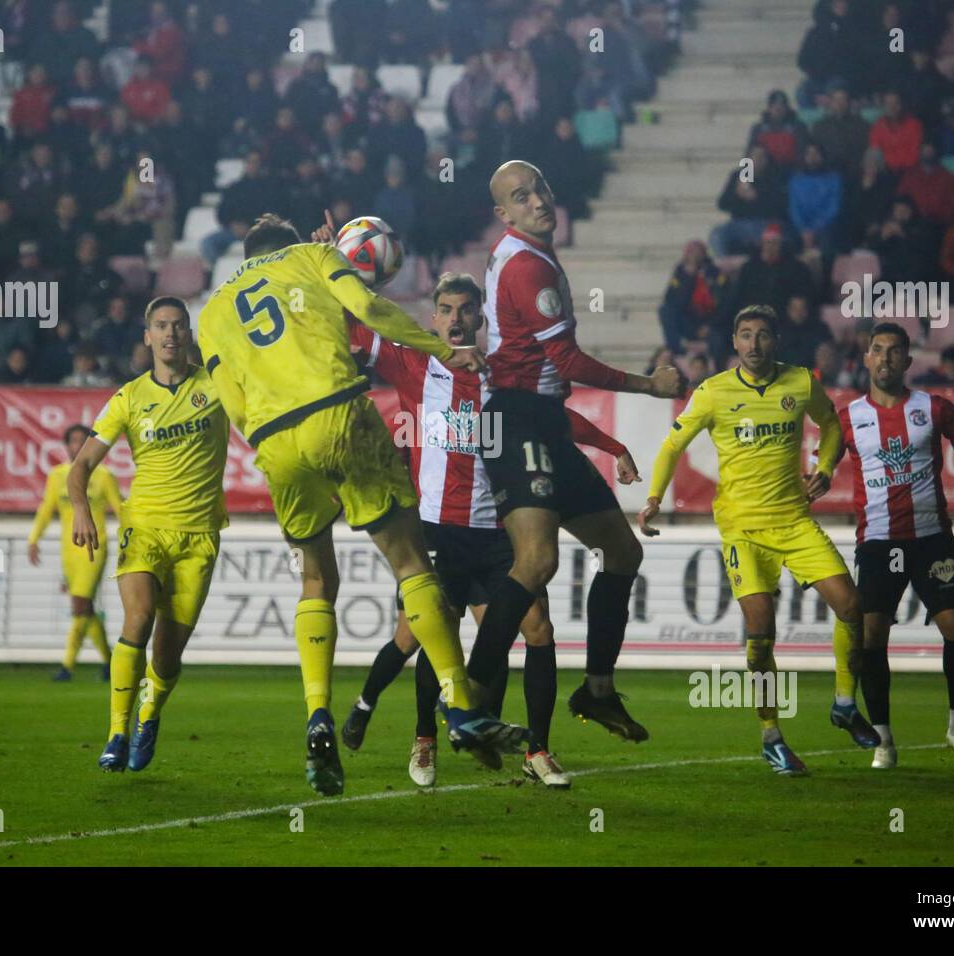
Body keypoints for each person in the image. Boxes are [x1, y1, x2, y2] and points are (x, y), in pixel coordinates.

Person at [196, 213, 526, 796]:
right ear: (290, 243)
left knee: (317, 582)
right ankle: (459, 704)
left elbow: (232, 403)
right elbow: (372, 313)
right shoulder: (312, 259)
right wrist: (439, 351)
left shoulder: (214, 310)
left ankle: (318, 714)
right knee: (409, 563)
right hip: (338, 410)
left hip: (274, 440)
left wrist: (275, 444)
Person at [338, 271, 637, 789]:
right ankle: (425, 739)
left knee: (538, 630)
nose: (456, 320)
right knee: (439, 633)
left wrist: (611, 446)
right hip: (436, 530)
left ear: (481, 318)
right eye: (446, 310)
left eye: (466, 311)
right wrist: (336, 264)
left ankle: (539, 750)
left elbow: (553, 418)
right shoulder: (413, 362)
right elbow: (347, 327)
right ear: (434, 318)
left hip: (499, 529)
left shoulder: (503, 374)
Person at [467, 160, 685, 744]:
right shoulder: (527, 267)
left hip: (540, 422)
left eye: (540, 187)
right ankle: (468, 699)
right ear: (504, 213)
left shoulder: (525, 255)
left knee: (621, 551)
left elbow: (551, 375)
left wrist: (605, 441)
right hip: (516, 424)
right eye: (522, 195)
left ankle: (596, 690)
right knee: (537, 564)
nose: (538, 200)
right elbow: (566, 364)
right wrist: (647, 385)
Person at [640, 305, 880, 774]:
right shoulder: (712, 392)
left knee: (852, 607)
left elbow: (831, 426)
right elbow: (673, 446)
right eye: (745, 335)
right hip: (742, 530)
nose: (754, 344)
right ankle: (771, 733)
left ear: (775, 341)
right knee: (762, 630)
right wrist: (653, 498)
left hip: (793, 521)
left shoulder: (801, 383)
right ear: (734, 342)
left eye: (763, 335)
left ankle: (845, 703)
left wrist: (826, 467)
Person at [69, 297, 229, 773]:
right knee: (137, 617)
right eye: (161, 326)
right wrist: (82, 509)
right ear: (147, 337)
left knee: (167, 655)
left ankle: (149, 713)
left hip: (198, 535)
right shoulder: (128, 398)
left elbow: (264, 421)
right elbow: (81, 466)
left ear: (189, 333)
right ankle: (117, 731)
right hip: (144, 528)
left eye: (178, 325)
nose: (170, 334)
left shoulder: (218, 385)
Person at [836, 322, 954, 769]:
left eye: (894, 351)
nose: (884, 358)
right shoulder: (848, 417)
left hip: (932, 540)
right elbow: (823, 457)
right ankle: (884, 739)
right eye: (877, 350)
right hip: (878, 542)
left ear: (907, 361)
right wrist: (815, 475)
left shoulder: (933, 407)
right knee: (872, 637)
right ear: (866, 358)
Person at [28, 425, 123, 682]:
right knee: (86, 608)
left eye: (84, 441)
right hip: (68, 551)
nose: (78, 446)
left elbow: (120, 508)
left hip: (94, 548)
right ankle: (110, 662)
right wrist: (33, 539)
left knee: (80, 605)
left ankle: (67, 666)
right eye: (73, 441)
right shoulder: (57, 475)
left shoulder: (103, 476)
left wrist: (133, 537)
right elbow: (47, 508)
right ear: (66, 445)